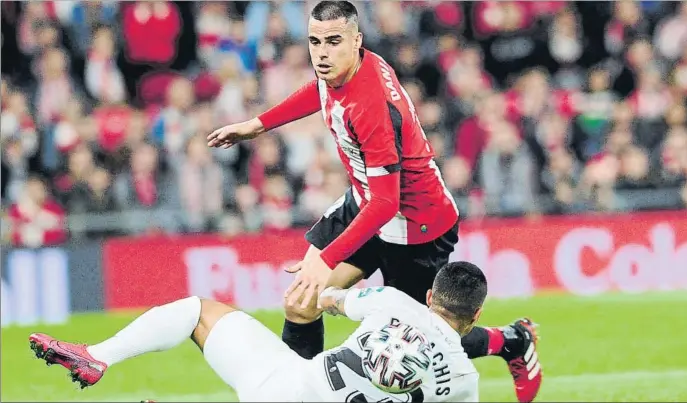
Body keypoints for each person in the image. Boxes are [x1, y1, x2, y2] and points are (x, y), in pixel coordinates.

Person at [206, 2, 540, 401]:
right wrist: (258, 125)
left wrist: (327, 259)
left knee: (417, 339)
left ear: (356, 40)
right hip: (367, 203)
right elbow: (320, 90)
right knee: (301, 302)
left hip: (415, 225)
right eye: (315, 42)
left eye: (332, 42)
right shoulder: (344, 65)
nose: (321, 53)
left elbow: (387, 202)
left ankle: (511, 341)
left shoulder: (373, 107)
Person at [29, 261, 530, 402]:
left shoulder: (393, 303)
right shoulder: (464, 381)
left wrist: (325, 293)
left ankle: (98, 355)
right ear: (477, 310)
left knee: (198, 311)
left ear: (429, 295)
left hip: (285, 387)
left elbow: (331, 298)